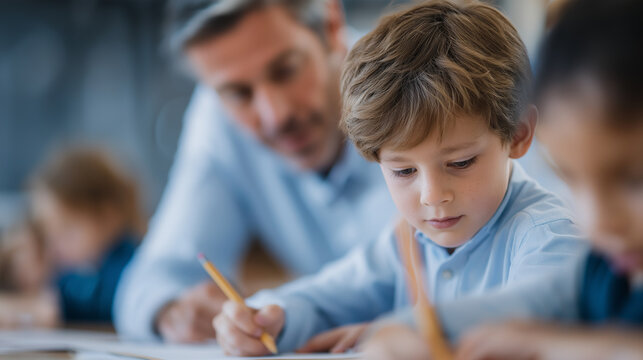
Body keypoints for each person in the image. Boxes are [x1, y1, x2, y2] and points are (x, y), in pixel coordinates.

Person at [212, 1, 587, 356]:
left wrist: (398, 330)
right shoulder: (405, 243)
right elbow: (321, 298)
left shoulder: (548, 233)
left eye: (460, 162)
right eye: (404, 171)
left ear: (519, 134)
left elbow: (534, 316)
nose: (432, 196)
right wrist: (266, 318)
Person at [360, 1, 643, 359]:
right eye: (573, 181)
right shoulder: (600, 272)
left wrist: (557, 344)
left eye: (635, 181)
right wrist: (397, 332)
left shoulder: (548, 231)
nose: (598, 221)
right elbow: (511, 314)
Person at [114, 0, 397, 342]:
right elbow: (154, 278)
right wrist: (173, 312)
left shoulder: (417, 87)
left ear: (332, 25)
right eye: (239, 93)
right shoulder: (218, 118)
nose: (274, 115)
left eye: (286, 70)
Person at [0, 147, 143, 325]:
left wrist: (46, 306)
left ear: (107, 217)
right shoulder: (77, 271)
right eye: (49, 234)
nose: (55, 246)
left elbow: (109, 298)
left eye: (67, 230)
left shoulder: (132, 262)